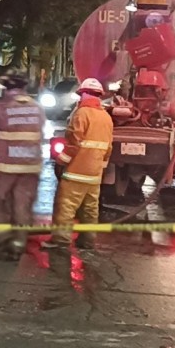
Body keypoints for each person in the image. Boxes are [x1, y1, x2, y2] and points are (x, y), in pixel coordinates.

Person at [0, 69, 46, 260]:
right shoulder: (37, 108)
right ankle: (19, 243)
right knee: (23, 204)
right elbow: (40, 133)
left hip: (3, 166)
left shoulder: (0, 108)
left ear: (5, 88)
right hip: (31, 166)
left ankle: (3, 237)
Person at [44, 77, 113, 250]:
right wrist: (101, 167)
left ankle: (61, 239)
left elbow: (74, 143)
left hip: (76, 172)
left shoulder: (82, 114)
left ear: (83, 94)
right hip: (94, 174)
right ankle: (88, 240)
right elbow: (108, 147)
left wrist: (61, 161)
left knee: (66, 206)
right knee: (90, 208)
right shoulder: (106, 116)